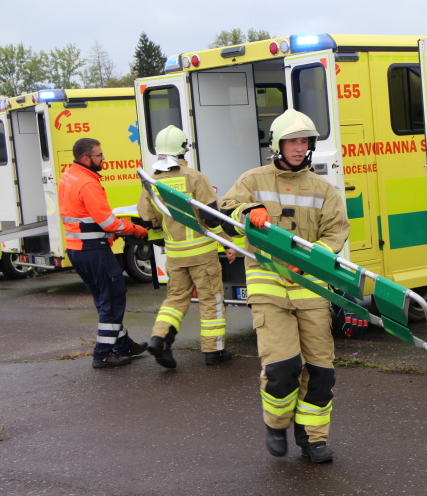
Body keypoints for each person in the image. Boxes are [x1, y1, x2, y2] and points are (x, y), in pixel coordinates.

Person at [221, 109, 350, 464]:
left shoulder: (324, 190)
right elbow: (225, 213)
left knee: (321, 371)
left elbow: (335, 234)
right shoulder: (252, 179)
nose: (299, 147)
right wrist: (249, 212)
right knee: (282, 367)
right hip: (268, 284)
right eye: (292, 140)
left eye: (304, 141)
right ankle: (276, 423)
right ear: (277, 144)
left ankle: (312, 437)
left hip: (311, 288)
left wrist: (310, 259)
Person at [138, 125, 234, 369]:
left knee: (175, 299)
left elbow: (148, 218)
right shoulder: (194, 177)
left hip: (175, 254)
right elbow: (211, 217)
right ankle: (214, 351)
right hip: (202, 252)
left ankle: (159, 338)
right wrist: (228, 242)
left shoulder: (152, 181)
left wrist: (163, 233)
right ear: (183, 150)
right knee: (211, 300)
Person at [60, 138, 149, 368]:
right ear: (86, 159)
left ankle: (123, 345)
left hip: (78, 250)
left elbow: (85, 218)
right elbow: (108, 222)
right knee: (111, 298)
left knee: (105, 299)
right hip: (94, 251)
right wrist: (135, 229)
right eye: (99, 155)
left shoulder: (69, 175)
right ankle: (103, 354)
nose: (103, 159)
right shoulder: (87, 183)